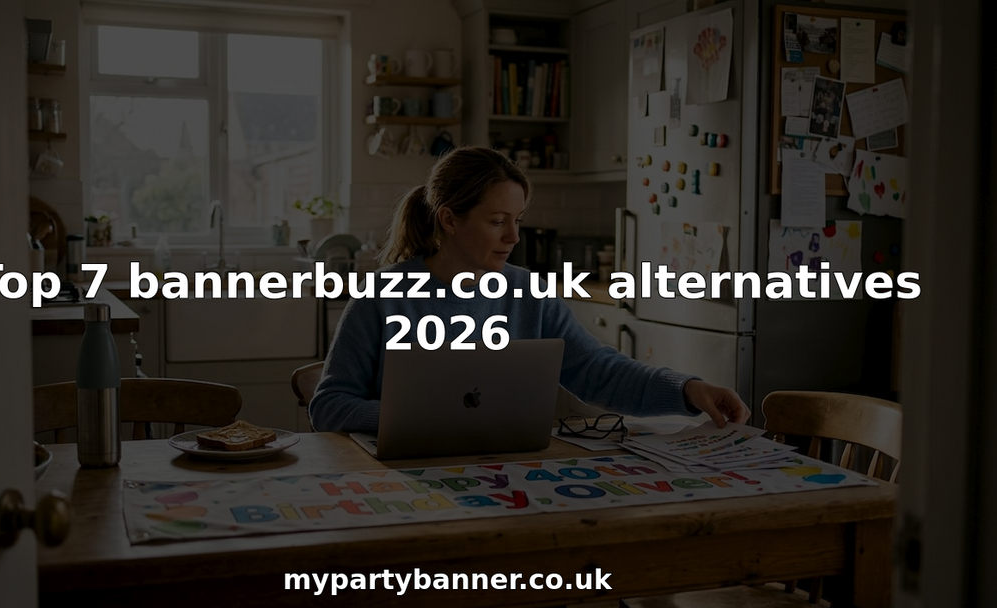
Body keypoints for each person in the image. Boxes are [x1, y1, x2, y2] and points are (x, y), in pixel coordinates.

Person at [308, 146, 750, 433]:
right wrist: (422, 416)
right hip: (403, 484)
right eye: (497, 221)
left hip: (504, 477)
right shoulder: (383, 296)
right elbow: (328, 406)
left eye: (517, 220)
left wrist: (687, 389)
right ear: (449, 219)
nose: (513, 237)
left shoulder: (529, 294)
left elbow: (599, 370)